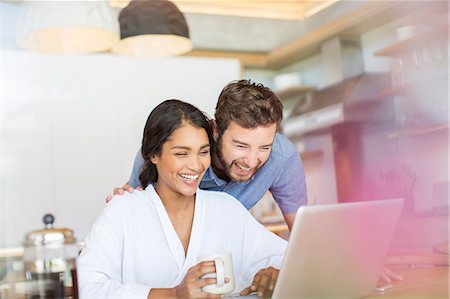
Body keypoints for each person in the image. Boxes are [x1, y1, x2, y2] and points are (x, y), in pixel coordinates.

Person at [78, 100, 287, 299]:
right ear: (153, 155)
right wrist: (174, 294)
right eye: (181, 153)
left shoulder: (226, 209)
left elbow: (289, 259)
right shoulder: (123, 210)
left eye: (203, 152)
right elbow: (88, 287)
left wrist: (276, 273)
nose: (196, 166)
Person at [108, 79, 307, 230]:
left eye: (264, 147)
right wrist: (122, 204)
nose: (252, 161)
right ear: (215, 130)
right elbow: (131, 206)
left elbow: (302, 233)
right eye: (240, 145)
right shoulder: (164, 156)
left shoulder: (282, 158)